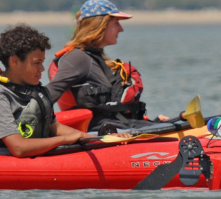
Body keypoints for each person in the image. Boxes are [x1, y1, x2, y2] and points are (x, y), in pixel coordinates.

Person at [0, 24, 130, 158]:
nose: (42, 69)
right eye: (36, 63)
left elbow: (54, 127)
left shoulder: (37, 91)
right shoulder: (2, 96)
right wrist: (64, 140)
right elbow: (18, 148)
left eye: (42, 62)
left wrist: (100, 139)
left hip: (38, 159)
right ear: (14, 61)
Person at [46, 0, 168, 131]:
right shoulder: (77, 58)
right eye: (116, 23)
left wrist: (154, 122)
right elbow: (47, 96)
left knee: (178, 121)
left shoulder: (95, 58)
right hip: (100, 133)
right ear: (100, 26)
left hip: (118, 127)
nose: (121, 29)